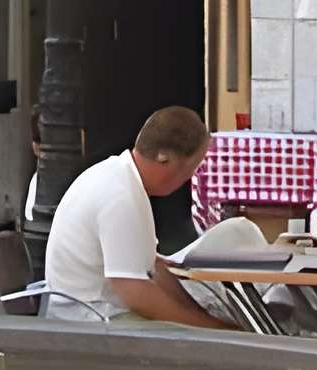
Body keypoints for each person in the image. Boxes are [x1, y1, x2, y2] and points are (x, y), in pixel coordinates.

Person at [43, 107, 226, 327]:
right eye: (190, 169)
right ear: (164, 159)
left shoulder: (119, 176)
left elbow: (152, 269)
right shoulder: (120, 194)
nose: (188, 179)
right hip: (90, 318)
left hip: (95, 310)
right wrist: (210, 328)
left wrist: (199, 316)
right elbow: (135, 292)